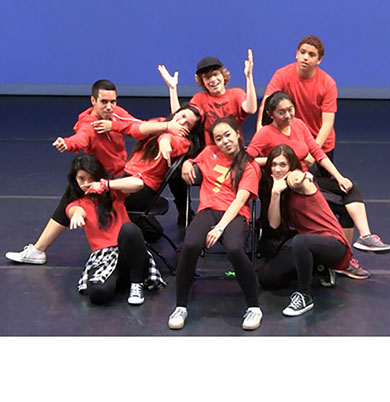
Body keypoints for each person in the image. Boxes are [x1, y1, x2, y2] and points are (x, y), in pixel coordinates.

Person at [5, 80, 196, 264]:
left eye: (113, 102)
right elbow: (82, 138)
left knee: (73, 193)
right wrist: (68, 144)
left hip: (133, 185)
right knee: (152, 232)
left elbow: (138, 127)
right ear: (93, 100)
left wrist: (163, 135)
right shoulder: (91, 123)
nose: (109, 106)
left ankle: (38, 250)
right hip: (122, 177)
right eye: (104, 102)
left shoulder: (177, 137)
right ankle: (138, 225)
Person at [248, 91, 390, 278]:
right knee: (343, 206)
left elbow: (317, 152)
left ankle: (362, 239)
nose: (288, 115)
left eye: (290, 110)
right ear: (271, 114)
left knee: (350, 189)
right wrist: (274, 161)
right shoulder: (265, 133)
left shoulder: (298, 125)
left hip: (307, 180)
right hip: (290, 187)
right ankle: (339, 261)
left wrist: (339, 177)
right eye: (281, 112)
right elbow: (247, 159)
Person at [168, 117, 263, 331]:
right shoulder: (208, 152)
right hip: (208, 210)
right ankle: (180, 306)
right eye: (218, 138)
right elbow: (192, 161)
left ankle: (254, 307)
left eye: (228, 135)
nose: (224, 141)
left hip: (235, 214)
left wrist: (220, 227)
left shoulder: (250, 165)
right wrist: (187, 163)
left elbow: (240, 200)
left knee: (234, 248)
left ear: (237, 134)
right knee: (190, 245)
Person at [261, 144, 352, 316]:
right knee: (267, 278)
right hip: (310, 243)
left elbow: (298, 179)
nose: (277, 169)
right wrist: (275, 193)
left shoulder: (293, 177)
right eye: (274, 165)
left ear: (291, 166)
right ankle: (318, 268)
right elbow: (274, 224)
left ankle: (304, 295)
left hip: (334, 244)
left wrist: (303, 178)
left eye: (283, 165)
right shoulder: (278, 187)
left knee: (300, 241)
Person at [65, 154, 166, 305]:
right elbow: (75, 211)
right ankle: (120, 280)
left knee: (129, 229)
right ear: (75, 180)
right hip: (104, 259)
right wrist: (77, 215)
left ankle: (136, 283)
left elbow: (138, 184)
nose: (86, 183)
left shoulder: (113, 193)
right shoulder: (77, 204)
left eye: (91, 178)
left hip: (129, 253)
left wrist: (106, 185)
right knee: (98, 294)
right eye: (81, 179)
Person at [256, 35, 336, 162]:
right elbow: (267, 103)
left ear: (319, 60)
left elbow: (327, 123)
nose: (305, 57)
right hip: (292, 140)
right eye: (302, 52)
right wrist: (260, 135)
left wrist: (314, 152)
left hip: (320, 144)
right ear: (297, 54)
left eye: (311, 55)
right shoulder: (282, 75)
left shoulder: (328, 84)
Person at [158, 49, 257, 147]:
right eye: (207, 77)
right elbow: (179, 118)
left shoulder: (236, 94)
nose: (213, 80)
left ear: (223, 75)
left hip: (235, 151)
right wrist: (172, 89)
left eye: (215, 74)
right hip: (210, 153)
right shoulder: (200, 99)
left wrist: (249, 77)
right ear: (203, 82)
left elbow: (251, 109)